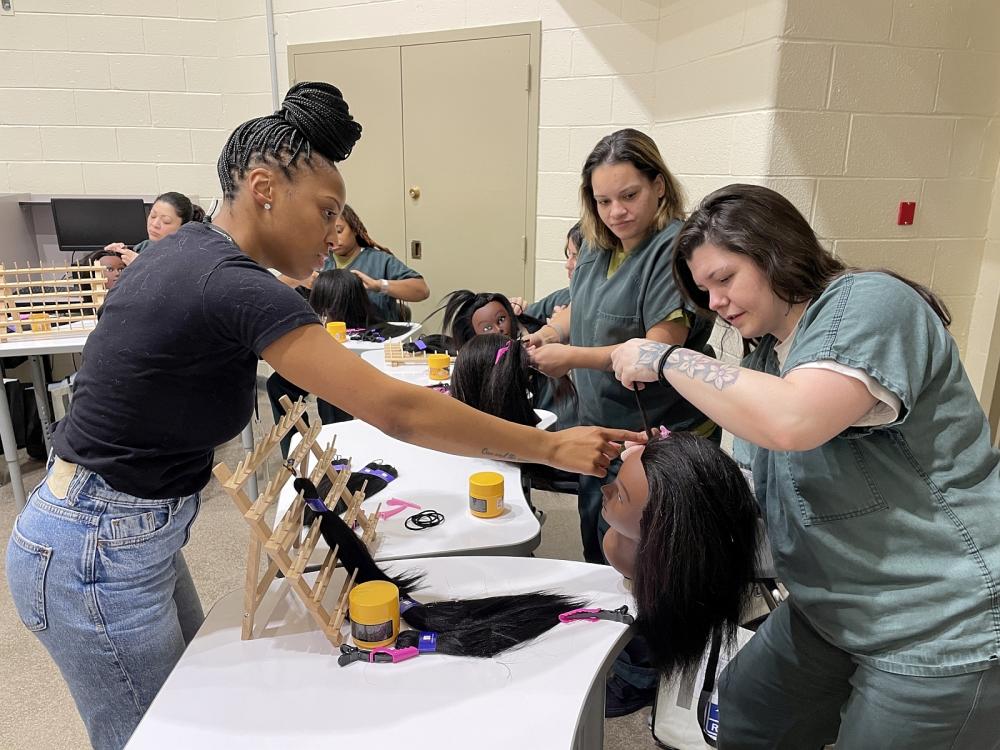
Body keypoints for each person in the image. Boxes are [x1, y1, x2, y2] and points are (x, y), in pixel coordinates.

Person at [5, 82, 637, 750]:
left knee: (183, 711)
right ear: (263, 188)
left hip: (117, 532)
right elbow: (397, 410)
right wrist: (554, 448)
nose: (336, 231)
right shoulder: (231, 284)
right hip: (96, 548)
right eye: (325, 209)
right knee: (152, 735)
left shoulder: (187, 252)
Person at [611, 184, 1000, 749]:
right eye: (704, 291)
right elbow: (755, 494)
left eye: (724, 278)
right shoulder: (768, 357)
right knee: (749, 706)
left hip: (936, 621)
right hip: (830, 607)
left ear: (774, 250)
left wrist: (664, 356)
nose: (714, 302)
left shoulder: (870, 304)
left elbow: (793, 420)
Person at [527, 129, 715, 567]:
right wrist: (552, 334)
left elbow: (655, 356)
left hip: (654, 440)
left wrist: (571, 358)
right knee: (599, 540)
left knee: (645, 561)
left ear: (659, 185)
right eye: (603, 200)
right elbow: (581, 307)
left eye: (629, 195)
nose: (616, 212)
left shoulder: (674, 253)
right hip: (600, 430)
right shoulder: (598, 243)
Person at [281, 204, 429, 320]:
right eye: (326, 233)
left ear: (355, 229)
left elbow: (421, 291)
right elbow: (276, 284)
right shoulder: (318, 260)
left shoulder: (379, 261)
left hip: (375, 339)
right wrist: (302, 279)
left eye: (339, 231)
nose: (333, 239)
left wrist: (379, 286)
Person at [104, 191, 206, 266]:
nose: (155, 224)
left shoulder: (188, 257)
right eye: (152, 216)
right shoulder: (144, 247)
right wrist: (117, 256)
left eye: (166, 221)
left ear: (183, 227)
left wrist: (141, 264)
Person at [510, 221, 581, 322]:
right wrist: (513, 309)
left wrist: (564, 329)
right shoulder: (564, 296)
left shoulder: (606, 309)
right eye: (569, 254)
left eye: (576, 256)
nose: (567, 265)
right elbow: (530, 314)